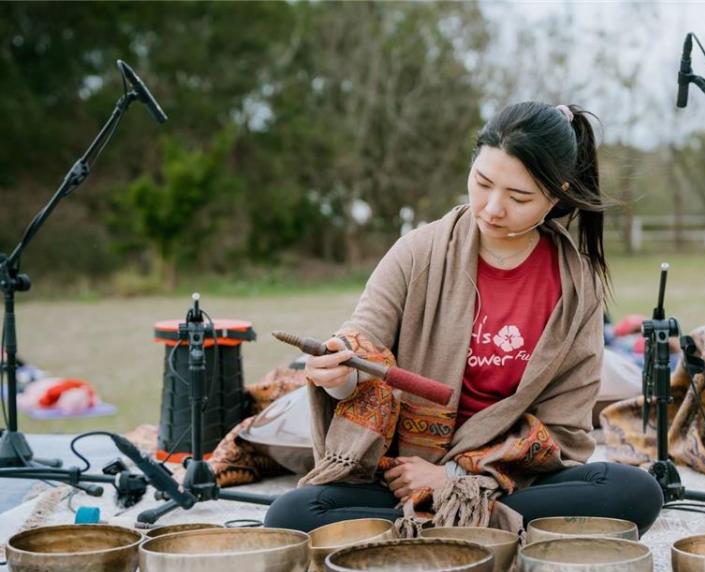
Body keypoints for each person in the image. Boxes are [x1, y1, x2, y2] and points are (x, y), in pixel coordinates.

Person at [264, 102, 663, 535]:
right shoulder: (417, 252)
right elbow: (363, 343)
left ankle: (439, 520)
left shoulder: (575, 285)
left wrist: (455, 478)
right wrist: (336, 375)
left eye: (519, 197)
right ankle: (480, 526)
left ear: (556, 194)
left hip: (504, 477)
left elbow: (563, 429)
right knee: (293, 514)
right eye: (483, 182)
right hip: (403, 475)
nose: (492, 208)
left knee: (634, 490)